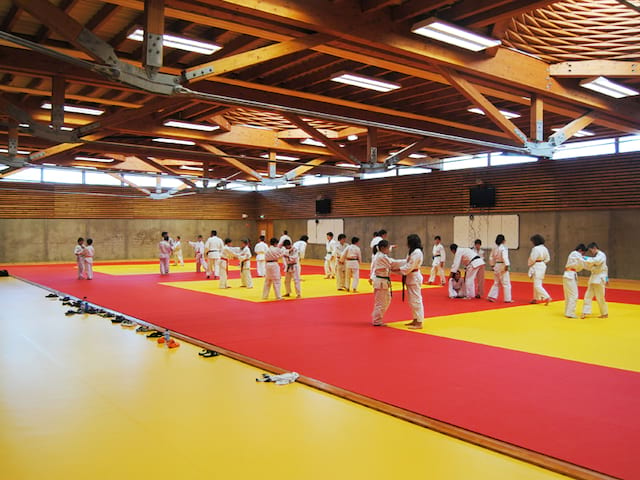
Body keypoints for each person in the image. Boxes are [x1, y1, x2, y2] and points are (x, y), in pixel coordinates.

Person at [369, 240, 400, 326]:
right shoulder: (381, 257)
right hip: (380, 282)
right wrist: (407, 262)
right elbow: (392, 263)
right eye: (387, 248)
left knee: (387, 300)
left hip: (383, 281)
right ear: (383, 248)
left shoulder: (380, 255)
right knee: (381, 302)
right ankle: (377, 320)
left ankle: (377, 315)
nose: (389, 250)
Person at [400, 234, 425, 330]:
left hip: (414, 277)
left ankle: (419, 322)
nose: (406, 243)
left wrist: (398, 269)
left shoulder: (417, 252)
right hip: (410, 277)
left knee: (416, 300)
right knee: (412, 301)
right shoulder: (412, 251)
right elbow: (406, 263)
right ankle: (415, 319)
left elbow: (409, 266)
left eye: (408, 241)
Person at [581, 242, 609, 319]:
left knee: (600, 297)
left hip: (599, 279)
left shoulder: (601, 255)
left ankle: (605, 313)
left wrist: (584, 258)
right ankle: (585, 312)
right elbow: (590, 265)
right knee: (588, 295)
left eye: (591, 250)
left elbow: (597, 262)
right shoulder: (595, 257)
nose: (591, 252)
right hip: (593, 278)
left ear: (595, 248)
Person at [487, 234, 513, 303]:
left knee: (496, 282)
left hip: (496, 265)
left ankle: (491, 296)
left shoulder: (494, 248)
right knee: (506, 283)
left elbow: (491, 257)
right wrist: (507, 265)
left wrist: (492, 265)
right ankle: (508, 299)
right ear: (504, 241)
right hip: (502, 265)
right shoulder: (503, 248)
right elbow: (505, 257)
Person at [563, 243, 586, 318]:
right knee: (574, 295)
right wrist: (588, 259)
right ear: (580, 250)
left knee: (569, 295)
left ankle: (568, 311)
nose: (582, 254)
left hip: (569, 274)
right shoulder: (575, 253)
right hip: (570, 275)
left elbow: (580, 265)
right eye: (583, 252)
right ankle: (570, 313)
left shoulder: (574, 254)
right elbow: (581, 262)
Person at [527, 234, 552, 305]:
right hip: (542, 265)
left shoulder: (535, 249)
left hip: (537, 265)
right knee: (538, 282)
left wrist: (530, 264)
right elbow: (548, 259)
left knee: (537, 285)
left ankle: (547, 297)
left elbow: (532, 258)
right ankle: (535, 298)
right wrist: (542, 263)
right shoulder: (545, 248)